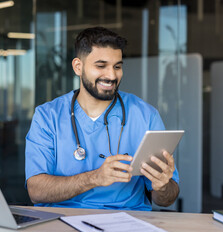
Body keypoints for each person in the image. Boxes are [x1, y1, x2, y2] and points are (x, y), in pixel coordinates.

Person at [25, 27, 179, 210]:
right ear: (78, 67)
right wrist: (95, 178)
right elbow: (36, 192)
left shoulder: (146, 116)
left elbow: (166, 199)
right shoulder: (48, 117)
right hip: (62, 220)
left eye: (117, 67)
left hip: (128, 222)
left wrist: (162, 186)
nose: (112, 75)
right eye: (101, 66)